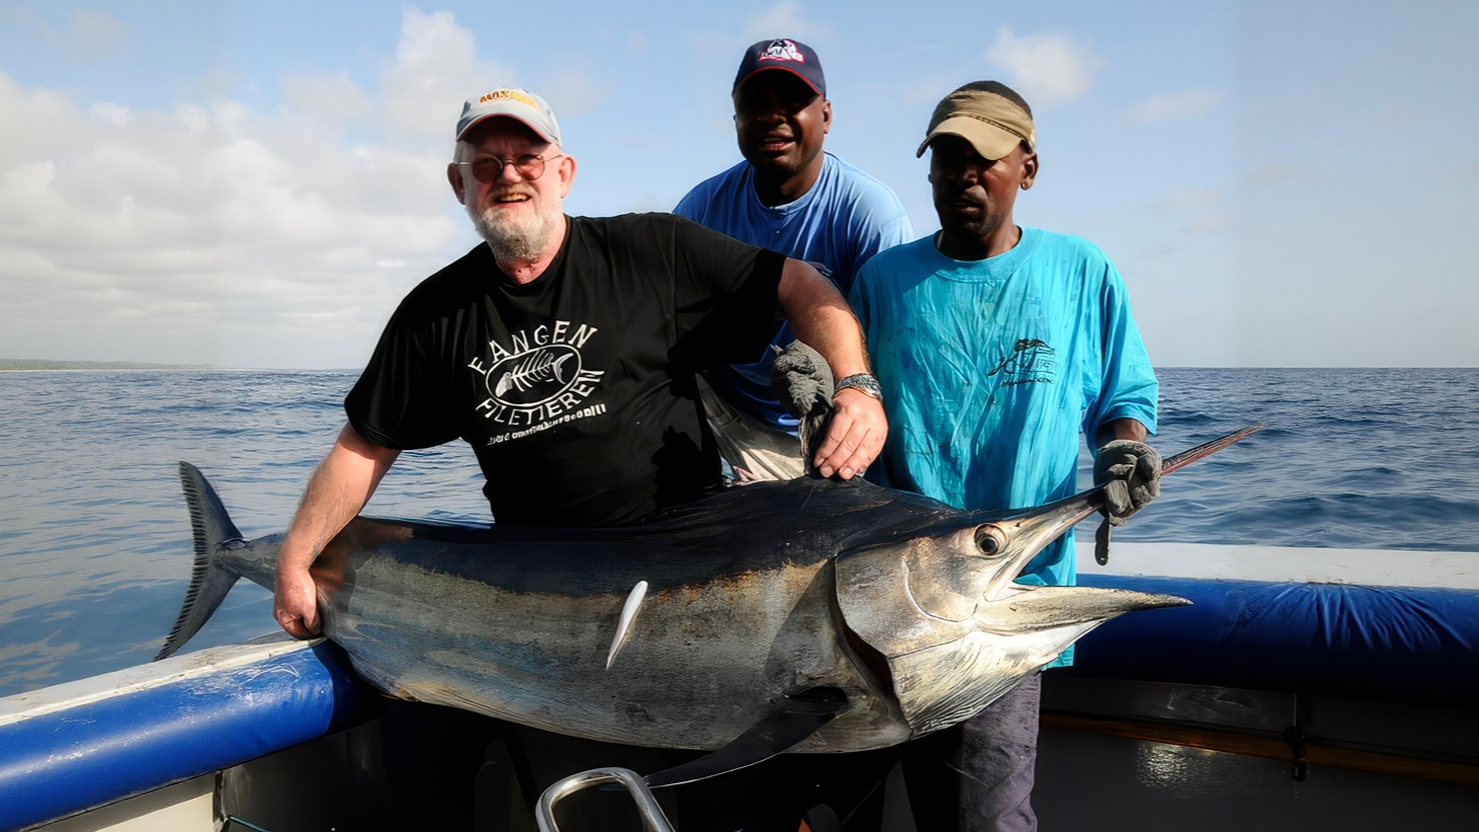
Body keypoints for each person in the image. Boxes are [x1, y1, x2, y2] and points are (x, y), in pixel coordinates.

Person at [270, 86, 887, 829]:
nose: (509, 175)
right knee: (419, 745)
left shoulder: (651, 252)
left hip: (688, 582)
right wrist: (295, 559)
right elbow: (364, 446)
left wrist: (855, 386)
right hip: (529, 588)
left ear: (562, 172)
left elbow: (800, 284)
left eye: (527, 158)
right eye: (486, 163)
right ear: (459, 184)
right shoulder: (435, 313)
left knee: (738, 804)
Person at [848, 81, 1162, 832]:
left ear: (1028, 168)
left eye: (983, 158)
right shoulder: (881, 280)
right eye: (947, 158)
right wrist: (809, 383)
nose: (962, 174)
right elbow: (848, 406)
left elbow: (1123, 399)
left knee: (983, 821)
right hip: (881, 608)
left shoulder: (1081, 271)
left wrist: (1124, 453)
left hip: (1005, 613)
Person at [675, 38, 912, 479]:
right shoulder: (700, 209)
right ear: (736, 120)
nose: (772, 117)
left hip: (828, 425)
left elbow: (896, 349)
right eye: (755, 105)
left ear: (826, 115)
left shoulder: (870, 211)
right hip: (725, 417)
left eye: (792, 102)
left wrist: (849, 387)